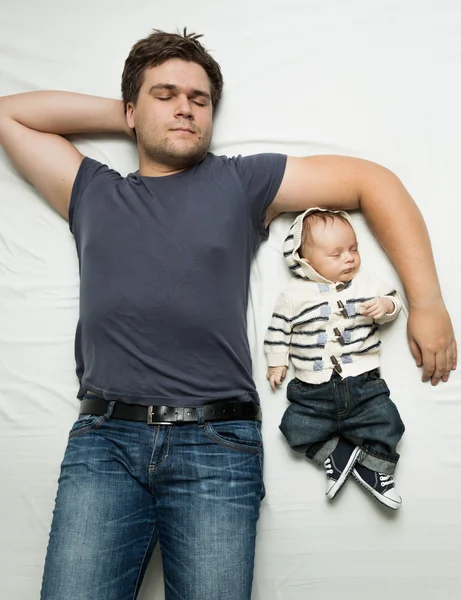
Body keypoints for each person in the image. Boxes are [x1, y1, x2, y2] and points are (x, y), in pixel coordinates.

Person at [0, 28, 456, 600]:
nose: (186, 108)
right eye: (165, 94)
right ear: (131, 109)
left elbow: (372, 182)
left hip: (215, 443)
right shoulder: (92, 189)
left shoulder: (239, 182)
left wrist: (428, 303)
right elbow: (10, 115)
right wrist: (133, 115)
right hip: (105, 441)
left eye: (199, 100)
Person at [265, 208, 405, 510]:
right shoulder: (293, 294)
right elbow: (279, 329)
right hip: (312, 388)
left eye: (353, 249)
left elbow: (395, 300)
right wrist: (277, 361)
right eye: (336, 254)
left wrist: (385, 306)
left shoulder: (366, 281)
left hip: (364, 382)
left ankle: (375, 469)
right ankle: (337, 454)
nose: (349, 258)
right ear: (305, 260)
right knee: (293, 426)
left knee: (388, 422)